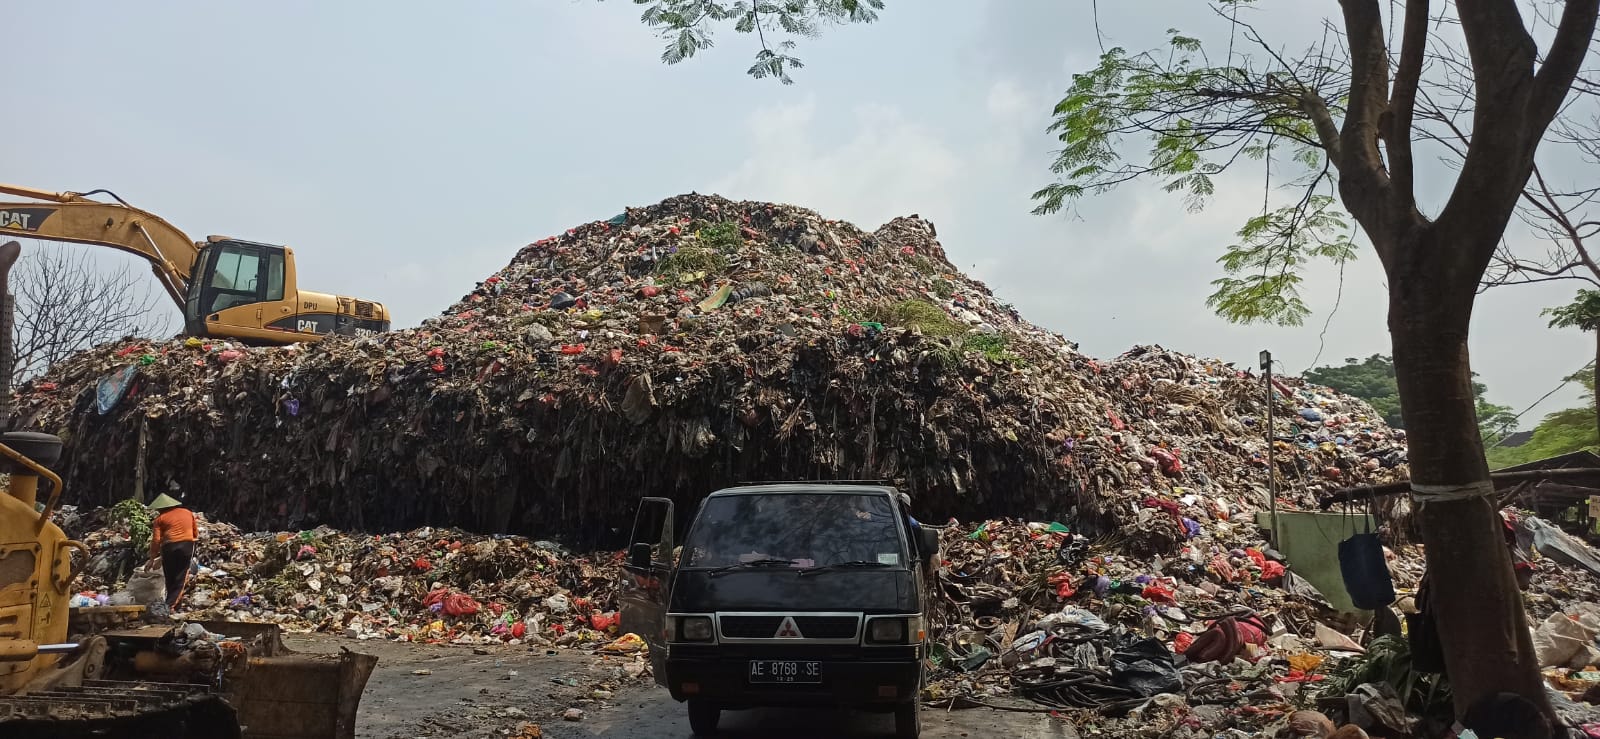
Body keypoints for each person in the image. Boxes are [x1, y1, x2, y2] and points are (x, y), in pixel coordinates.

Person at [146, 493, 198, 610]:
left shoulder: (159, 519)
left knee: (170, 577)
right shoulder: (187, 512)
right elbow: (195, 532)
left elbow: (156, 540)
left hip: (168, 548)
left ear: (161, 508)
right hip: (186, 545)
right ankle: (169, 606)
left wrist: (152, 559)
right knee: (180, 577)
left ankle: (172, 605)